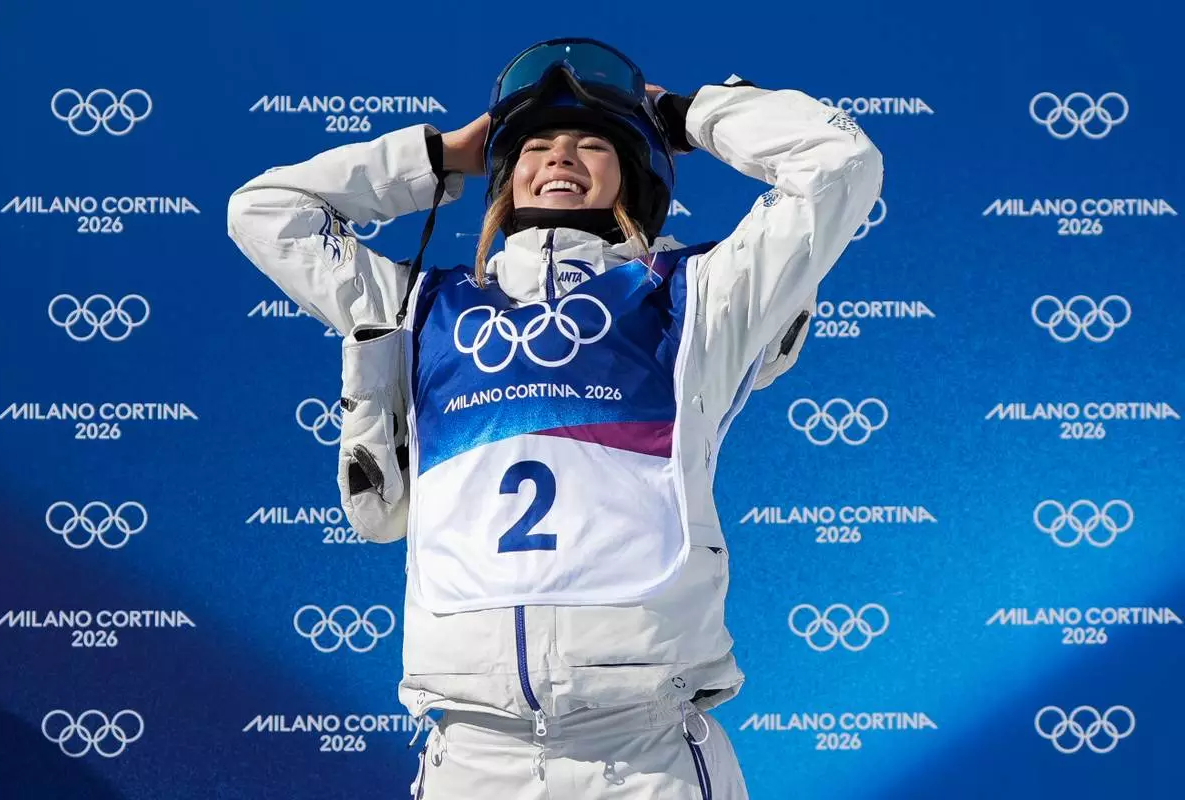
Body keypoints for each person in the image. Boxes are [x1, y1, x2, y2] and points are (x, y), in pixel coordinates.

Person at [228, 37, 882, 800]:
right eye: (535, 147)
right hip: (471, 757)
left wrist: (685, 115)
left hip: (643, 758)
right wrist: (438, 157)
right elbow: (264, 212)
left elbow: (837, 162)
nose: (560, 156)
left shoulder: (699, 298)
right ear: (504, 177)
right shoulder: (420, 309)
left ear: (635, 172)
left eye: (592, 144)